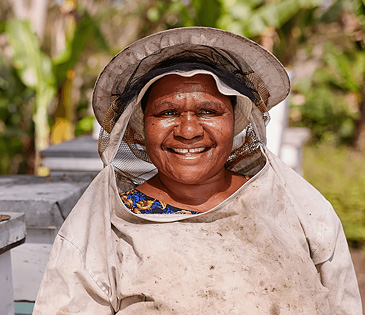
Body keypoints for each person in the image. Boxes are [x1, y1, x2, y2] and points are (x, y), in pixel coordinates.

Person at [33, 27, 362, 314]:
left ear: (236, 119)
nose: (188, 130)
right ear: (140, 124)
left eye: (208, 110)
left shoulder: (298, 205)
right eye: (167, 112)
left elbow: (343, 302)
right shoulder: (101, 222)